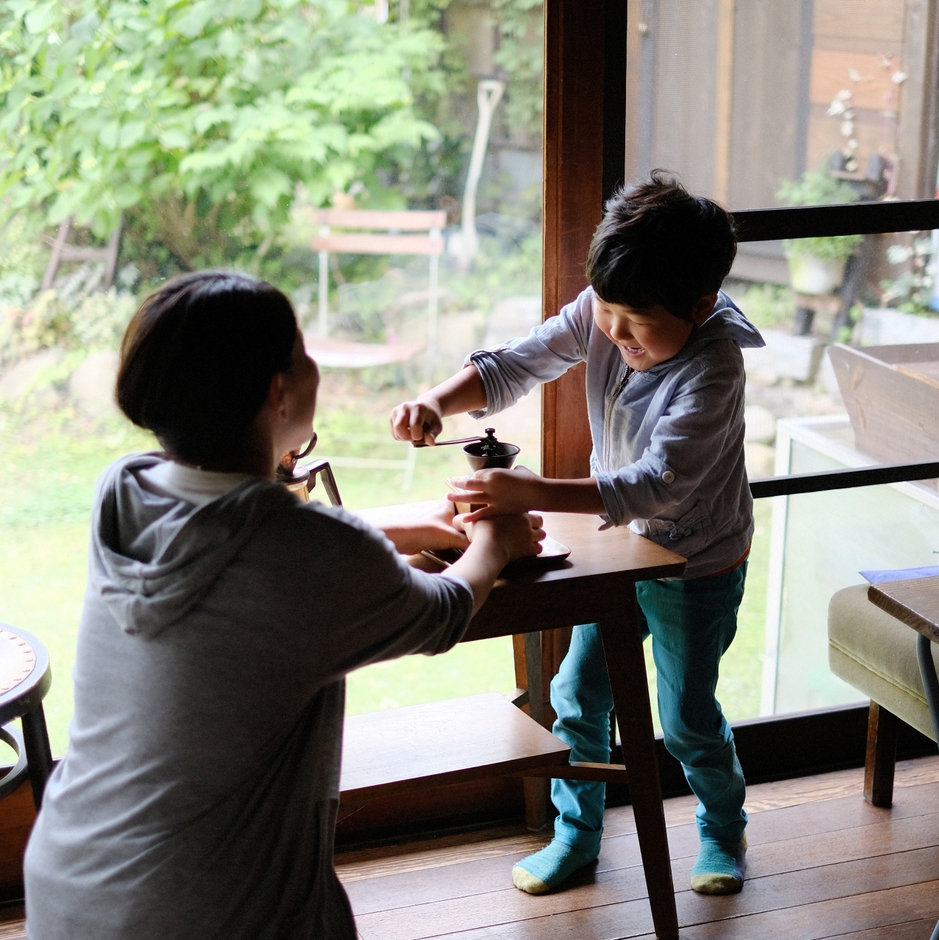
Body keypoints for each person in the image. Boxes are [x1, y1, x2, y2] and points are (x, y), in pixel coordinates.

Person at [23, 270, 544, 940]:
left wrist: (416, 531)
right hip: (206, 907)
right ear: (277, 393)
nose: (313, 365)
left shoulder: (124, 490)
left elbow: (252, 542)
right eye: (302, 353)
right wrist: (496, 543)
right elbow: (441, 611)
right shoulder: (309, 551)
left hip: (71, 878)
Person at [390, 170, 765, 896]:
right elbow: (515, 364)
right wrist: (436, 399)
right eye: (606, 312)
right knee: (576, 695)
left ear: (701, 303)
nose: (614, 332)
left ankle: (722, 827)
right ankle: (577, 833)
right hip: (623, 548)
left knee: (685, 720)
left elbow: (656, 483)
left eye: (636, 319)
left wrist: (529, 491)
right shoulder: (603, 311)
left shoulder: (713, 368)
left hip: (698, 563)